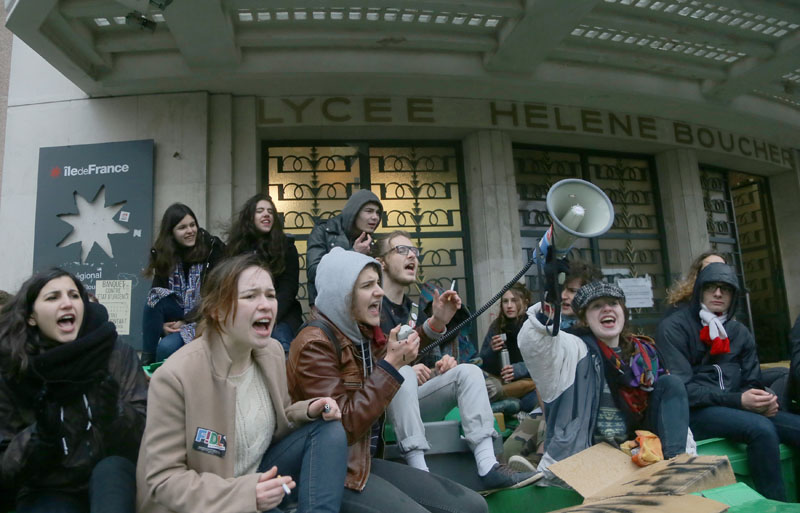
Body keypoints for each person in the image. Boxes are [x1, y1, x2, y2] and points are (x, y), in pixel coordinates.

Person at [136, 254, 348, 513]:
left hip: (258, 480)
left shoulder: (270, 352)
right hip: (213, 502)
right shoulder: (174, 377)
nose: (266, 305)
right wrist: (246, 495)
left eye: (270, 295)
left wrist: (309, 409)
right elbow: (163, 480)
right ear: (217, 310)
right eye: (250, 296)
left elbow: (275, 424)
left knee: (329, 430)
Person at [288, 248, 488, 513]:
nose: (380, 292)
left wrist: (436, 324)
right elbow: (342, 427)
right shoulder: (315, 343)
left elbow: (394, 351)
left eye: (377, 284)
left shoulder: (357, 332)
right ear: (342, 293)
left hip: (365, 464)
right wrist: (391, 366)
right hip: (337, 473)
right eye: (368, 285)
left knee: (474, 506)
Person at [374, 231, 536, 491]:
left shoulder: (410, 308)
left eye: (415, 250)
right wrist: (400, 366)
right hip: (376, 407)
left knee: (467, 372)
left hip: (410, 403)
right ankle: (420, 473)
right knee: (402, 375)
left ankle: (488, 465)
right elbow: (364, 363)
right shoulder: (372, 303)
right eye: (402, 250)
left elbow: (420, 355)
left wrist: (439, 367)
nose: (412, 255)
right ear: (381, 261)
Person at [0, 268, 147, 513]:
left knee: (111, 473)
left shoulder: (115, 352)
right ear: (31, 316)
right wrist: (40, 436)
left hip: (112, 470)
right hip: (48, 483)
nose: (67, 303)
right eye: (53, 297)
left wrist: (115, 414)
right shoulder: (13, 367)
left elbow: (145, 437)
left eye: (74, 295)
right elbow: (6, 469)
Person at [657, 262, 800, 501]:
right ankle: (775, 505)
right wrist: (739, 401)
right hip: (695, 412)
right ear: (699, 291)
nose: (718, 293)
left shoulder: (740, 332)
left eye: (726, 288)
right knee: (761, 429)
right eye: (711, 287)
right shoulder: (674, 327)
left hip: (737, 408)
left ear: (734, 295)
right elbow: (684, 390)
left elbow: (752, 381)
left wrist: (762, 400)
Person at [518, 281, 689, 480]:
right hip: (588, 464)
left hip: (638, 457)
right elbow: (534, 344)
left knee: (672, 384)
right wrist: (548, 307)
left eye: (613, 303)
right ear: (584, 318)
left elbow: (674, 412)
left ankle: (675, 472)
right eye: (597, 306)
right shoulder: (573, 350)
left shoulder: (645, 353)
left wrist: (687, 456)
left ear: (623, 311)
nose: (607, 308)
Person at [142, 203, 225, 364]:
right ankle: (147, 362)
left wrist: (186, 321)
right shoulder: (165, 255)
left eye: (192, 225)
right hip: (177, 312)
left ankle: (158, 374)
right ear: (171, 233)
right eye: (182, 227)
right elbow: (157, 292)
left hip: (205, 316)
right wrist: (161, 326)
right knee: (152, 300)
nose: (190, 231)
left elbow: (215, 297)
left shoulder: (213, 250)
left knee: (166, 347)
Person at [226, 194, 303, 355]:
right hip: (245, 313)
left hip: (281, 314)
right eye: (260, 211)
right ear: (250, 217)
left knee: (280, 346)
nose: (266, 214)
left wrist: (267, 316)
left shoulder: (287, 248)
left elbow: (288, 291)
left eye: (270, 211)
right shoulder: (236, 249)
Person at [306, 189, 382, 306]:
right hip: (327, 307)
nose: (375, 217)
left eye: (377, 213)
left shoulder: (370, 241)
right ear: (354, 212)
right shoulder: (323, 231)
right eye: (369, 211)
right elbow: (313, 272)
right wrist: (354, 253)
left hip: (361, 307)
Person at [480, 283, 538, 412]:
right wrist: (492, 351)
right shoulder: (497, 326)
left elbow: (545, 361)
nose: (509, 306)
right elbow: (485, 364)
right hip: (502, 383)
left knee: (530, 402)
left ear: (526, 302)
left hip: (530, 384)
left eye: (514, 300)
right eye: (505, 301)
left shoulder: (534, 325)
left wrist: (519, 369)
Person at [559, 260, 604, 330]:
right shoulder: (549, 323)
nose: (563, 296)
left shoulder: (602, 330)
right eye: (561, 289)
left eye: (572, 291)